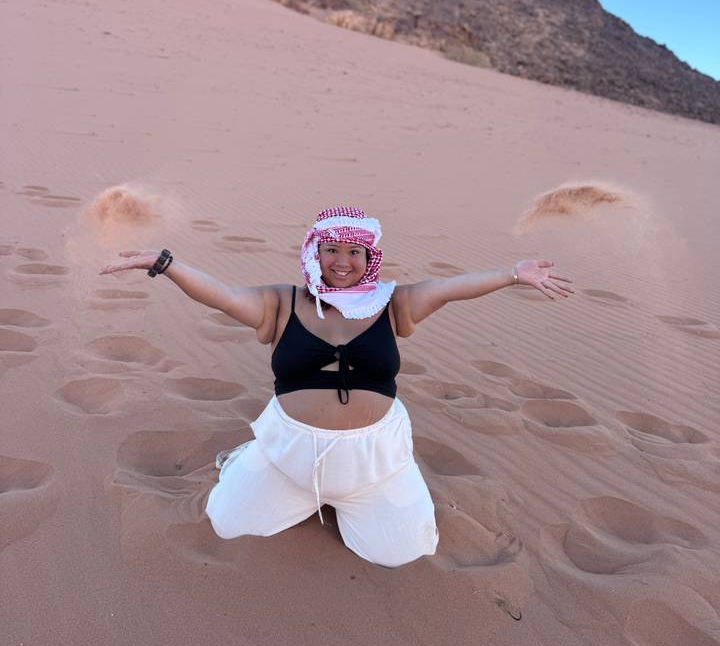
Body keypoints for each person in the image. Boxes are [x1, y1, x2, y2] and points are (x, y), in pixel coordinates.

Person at [100, 205, 573, 568]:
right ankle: (250, 458)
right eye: (331, 250)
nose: (341, 262)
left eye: (353, 252)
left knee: (402, 552)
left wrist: (514, 274)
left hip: (374, 460)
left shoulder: (394, 304)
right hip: (289, 454)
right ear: (314, 252)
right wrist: (167, 264)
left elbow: (450, 287)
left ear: (369, 256)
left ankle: (349, 496)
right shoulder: (281, 303)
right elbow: (221, 295)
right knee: (228, 524)